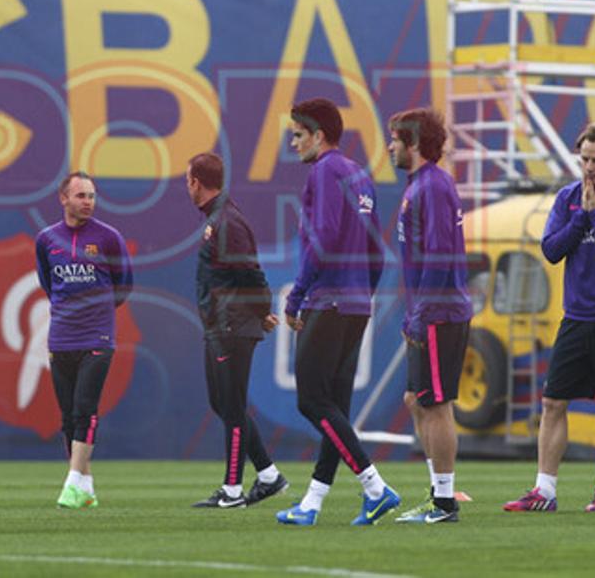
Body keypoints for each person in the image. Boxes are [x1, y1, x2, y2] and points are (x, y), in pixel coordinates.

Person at [275, 98, 401, 528]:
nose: (293, 143)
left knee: (311, 401)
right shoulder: (359, 175)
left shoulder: (324, 171)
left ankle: (376, 488)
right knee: (335, 411)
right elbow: (376, 251)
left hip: (327, 300)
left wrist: (296, 296)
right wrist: (363, 294)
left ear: (318, 135)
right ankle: (312, 503)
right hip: (356, 303)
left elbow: (324, 238)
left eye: (298, 135)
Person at [504, 123, 595, 513]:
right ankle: (544, 490)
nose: (590, 167)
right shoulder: (567, 198)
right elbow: (550, 250)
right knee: (552, 402)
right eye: (584, 159)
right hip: (576, 317)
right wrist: (582, 217)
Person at [184, 152, 288, 509]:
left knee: (232, 405)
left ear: (196, 182)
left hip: (232, 324)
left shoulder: (227, 222)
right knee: (222, 402)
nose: (188, 187)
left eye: (188, 181)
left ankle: (232, 490)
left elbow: (250, 272)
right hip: (222, 323)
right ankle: (269, 475)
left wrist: (262, 310)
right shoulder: (219, 219)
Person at [387, 107, 473, 525]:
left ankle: (444, 503)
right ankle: (438, 491)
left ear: (414, 143)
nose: (390, 147)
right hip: (429, 309)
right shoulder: (421, 185)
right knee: (416, 400)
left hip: (439, 312)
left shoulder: (433, 186)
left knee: (435, 404)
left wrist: (421, 314)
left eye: (395, 139)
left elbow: (439, 255)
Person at [35, 172, 133, 509]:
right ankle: (86, 487)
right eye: (80, 196)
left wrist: (96, 311)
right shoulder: (46, 239)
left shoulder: (109, 238)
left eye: (91, 196)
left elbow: (123, 284)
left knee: (85, 408)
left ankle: (72, 482)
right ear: (63, 199)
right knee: (67, 417)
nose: (88, 202)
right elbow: (48, 283)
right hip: (61, 337)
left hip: (97, 336)